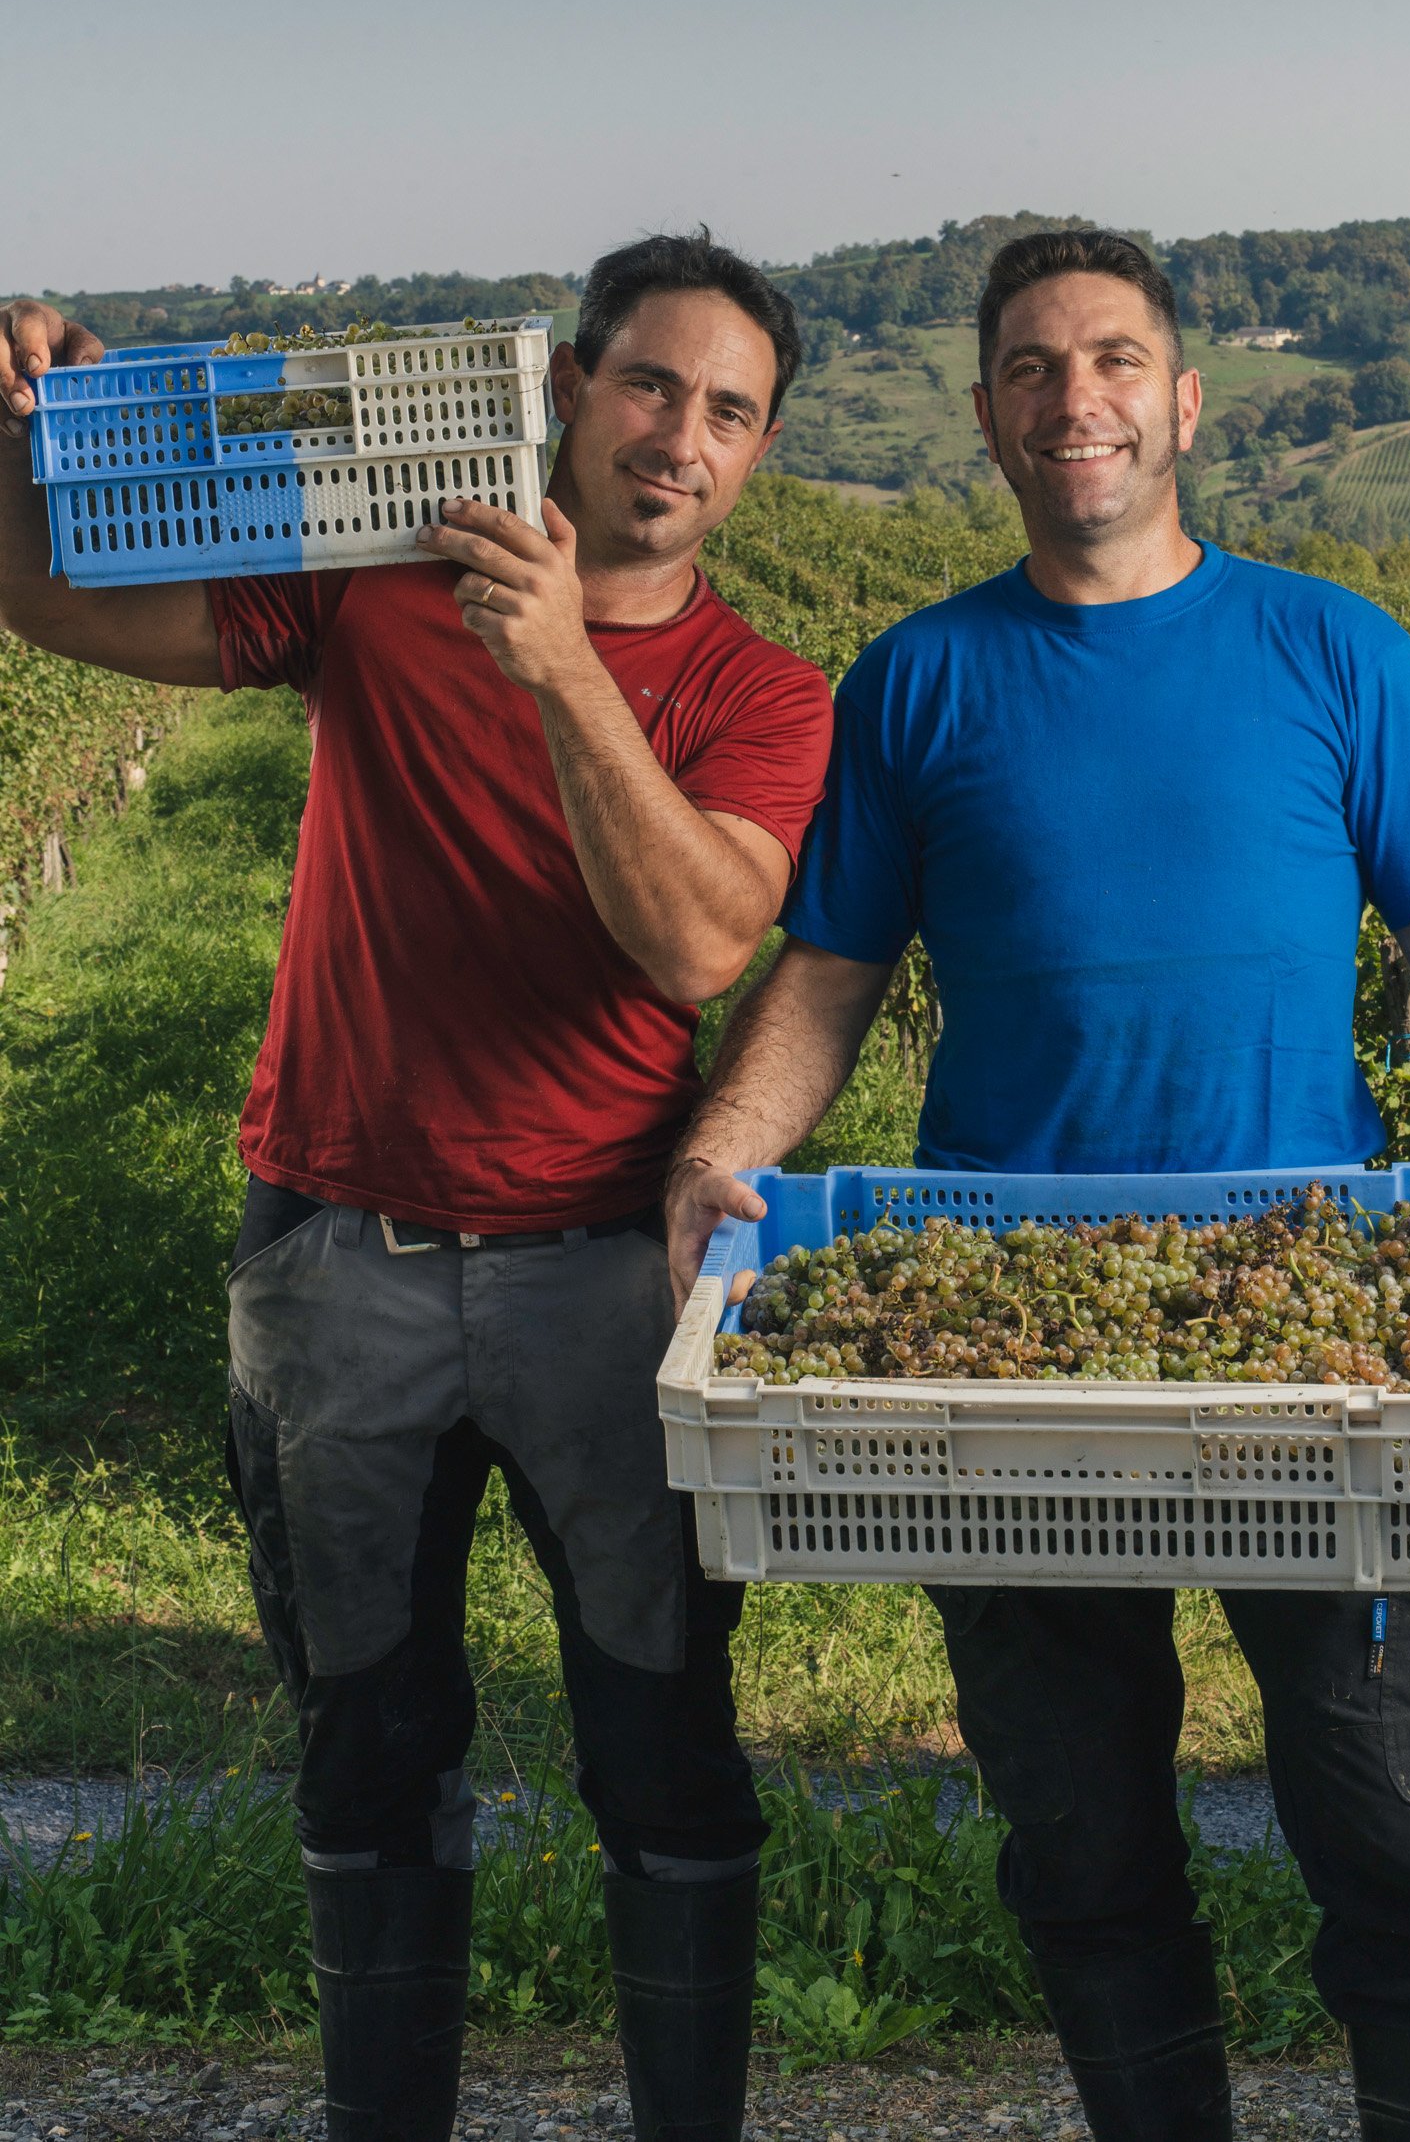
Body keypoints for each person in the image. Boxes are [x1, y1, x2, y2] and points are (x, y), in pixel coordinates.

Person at [667, 231, 1410, 2142]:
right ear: (986, 409)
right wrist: (721, 1158)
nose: (1075, 398)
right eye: (1030, 367)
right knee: (1079, 1848)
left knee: (1407, 1834)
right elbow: (827, 977)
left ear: (1181, 397)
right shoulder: (918, 679)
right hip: (1013, 1364)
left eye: (1113, 359)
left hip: (1317, 1344)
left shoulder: (1334, 647)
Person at [0, 233, 834, 2142]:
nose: (678, 438)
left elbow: (700, 947)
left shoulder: (763, 693)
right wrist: (14, 416)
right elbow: (44, 600)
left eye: (728, 413)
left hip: (607, 1283)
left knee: (666, 1747)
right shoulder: (384, 588)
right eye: (648, 385)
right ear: (566, 391)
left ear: (759, 454)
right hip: (336, 1267)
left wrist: (559, 673)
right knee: (369, 1748)